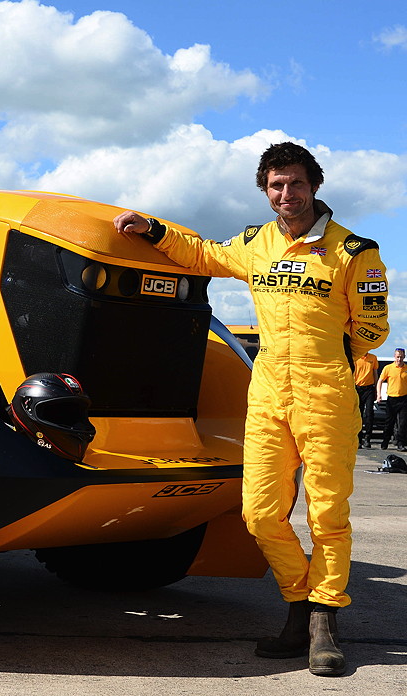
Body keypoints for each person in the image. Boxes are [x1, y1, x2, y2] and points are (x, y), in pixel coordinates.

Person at [113, 142, 389, 677]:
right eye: (276, 185)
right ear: (266, 191)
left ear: (315, 186)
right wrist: (152, 229)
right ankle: (300, 599)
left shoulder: (354, 251)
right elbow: (203, 255)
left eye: (297, 183)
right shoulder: (254, 245)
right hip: (266, 396)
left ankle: (322, 622)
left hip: (326, 393)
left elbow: (372, 330)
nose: (287, 194)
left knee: (327, 514)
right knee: (259, 514)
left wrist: (336, 366)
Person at [377, 348, 407, 451]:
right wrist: (379, 395)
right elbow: (380, 381)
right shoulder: (388, 368)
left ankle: (400, 443)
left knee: (403, 423)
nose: (399, 359)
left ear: (404, 357)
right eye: (398, 357)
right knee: (389, 422)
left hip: (404, 399)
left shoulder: (406, 369)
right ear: (394, 357)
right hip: (391, 399)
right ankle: (385, 441)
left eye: (401, 357)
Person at [354, 351, 380, 448]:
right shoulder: (356, 358)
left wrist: (377, 390)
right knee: (358, 414)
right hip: (358, 388)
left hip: (369, 388)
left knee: (369, 413)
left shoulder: (373, 358)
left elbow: (375, 374)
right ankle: (359, 439)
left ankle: (367, 438)